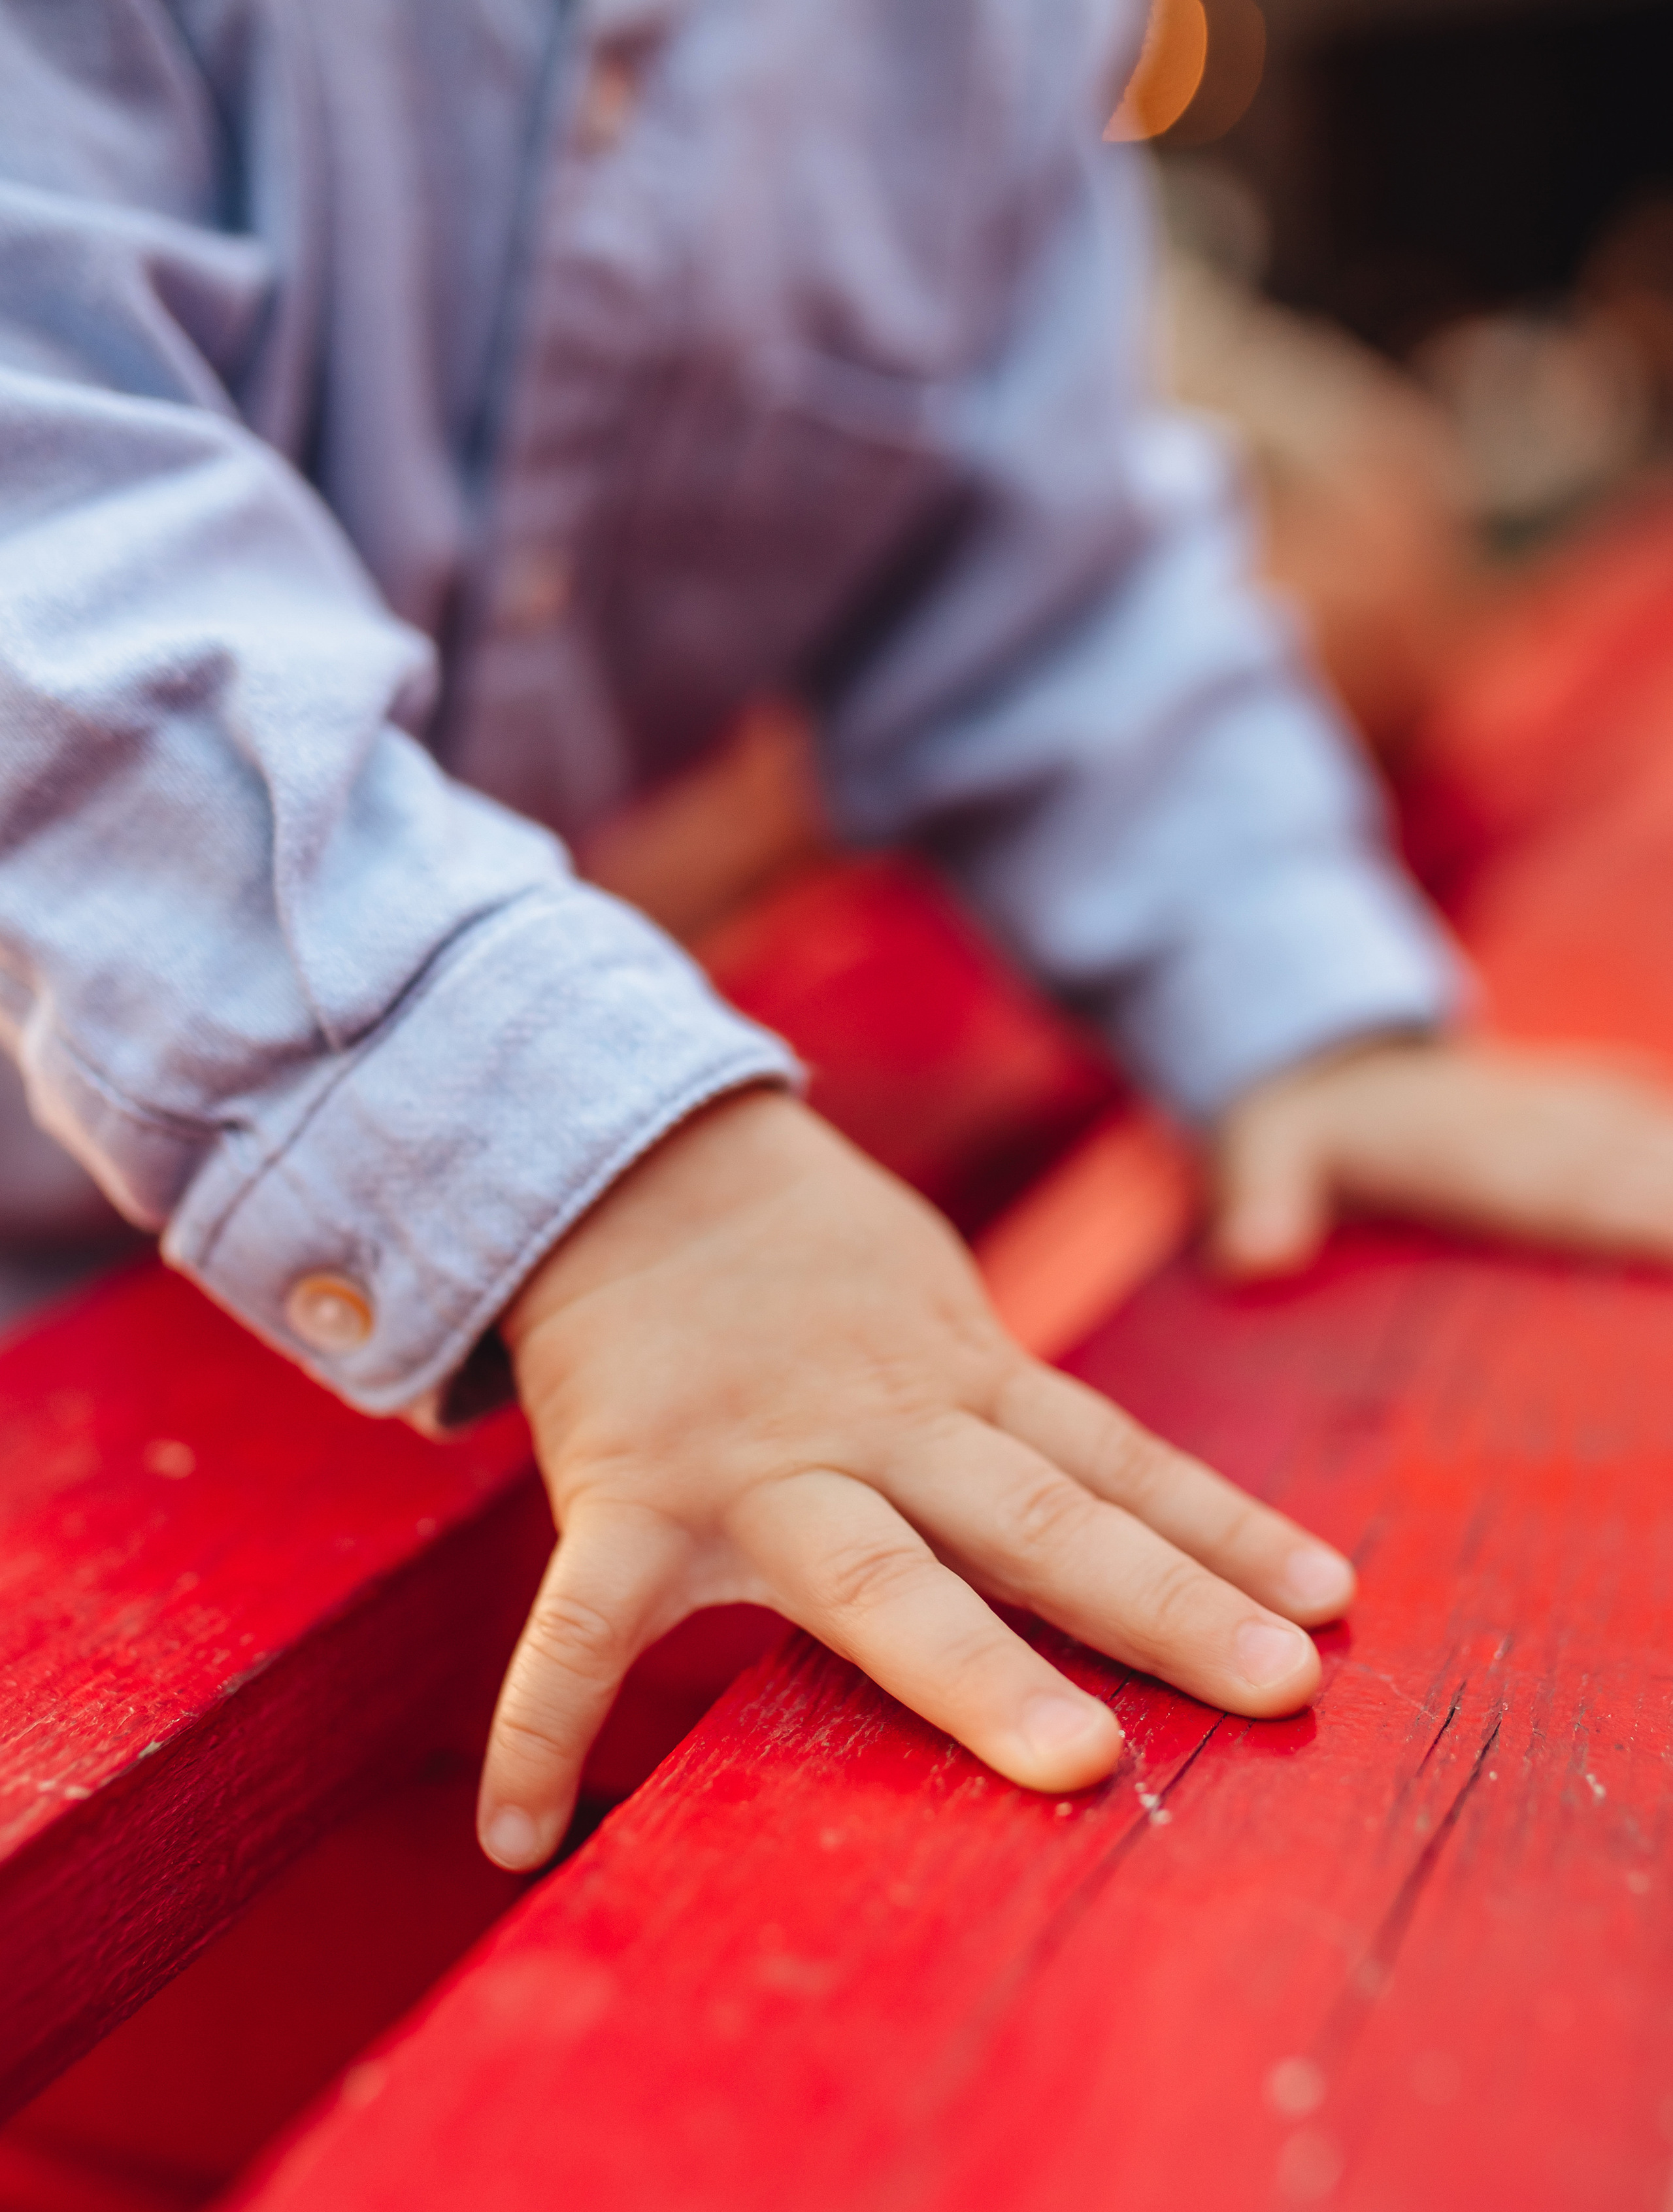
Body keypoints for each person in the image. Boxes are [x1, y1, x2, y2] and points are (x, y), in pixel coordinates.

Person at [6, 1, 1673, 1875]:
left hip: (438, 1326)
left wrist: (1284, 984)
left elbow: (1051, 565)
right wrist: (623, 1185)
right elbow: (44, 524)